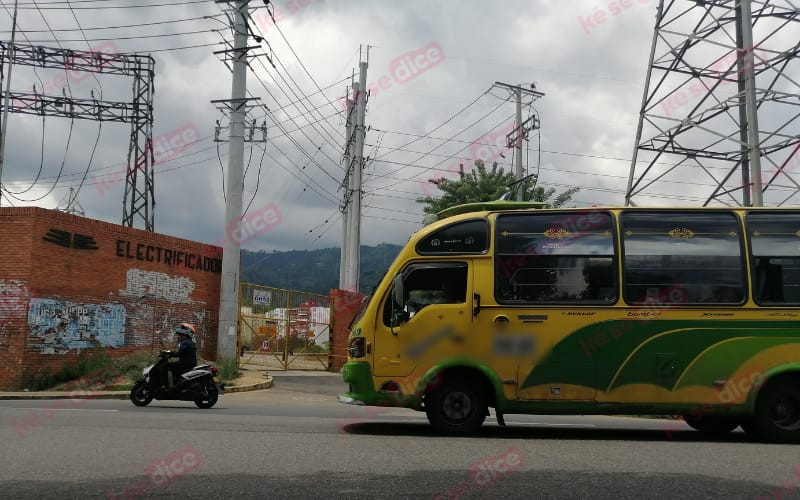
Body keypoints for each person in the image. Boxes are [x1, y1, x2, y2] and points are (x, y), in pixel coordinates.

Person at [165, 323, 197, 388]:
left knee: (166, 366)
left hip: (185, 364)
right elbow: (182, 353)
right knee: (174, 367)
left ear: (184, 334)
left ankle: (167, 385)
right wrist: (171, 353)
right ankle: (177, 383)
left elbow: (179, 354)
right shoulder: (190, 342)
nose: (179, 336)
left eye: (180, 335)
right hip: (190, 363)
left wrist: (170, 353)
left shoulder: (185, 342)